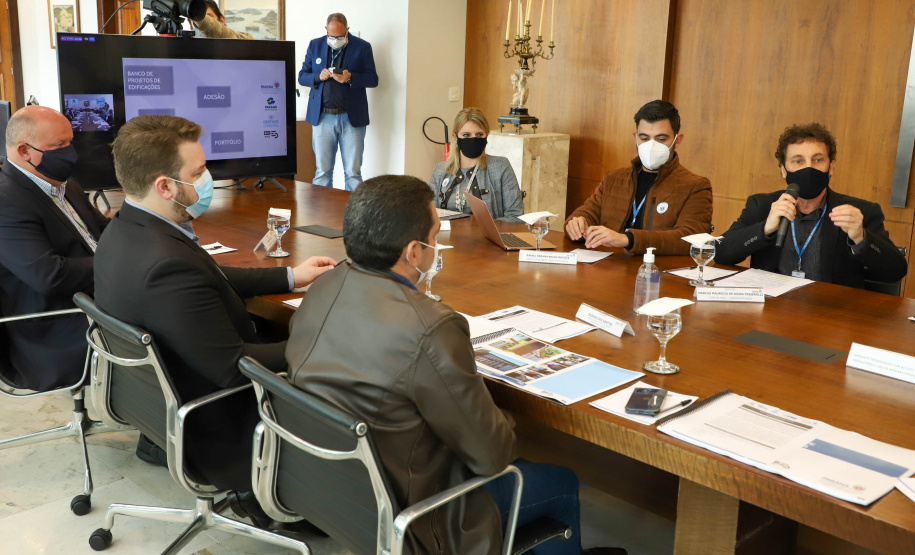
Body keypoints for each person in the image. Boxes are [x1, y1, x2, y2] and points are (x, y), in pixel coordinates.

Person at [285, 175, 625, 555]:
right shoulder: (431, 327)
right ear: (415, 252)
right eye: (434, 235)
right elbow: (493, 455)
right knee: (560, 480)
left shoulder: (322, 286)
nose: (436, 245)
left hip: (336, 494)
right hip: (422, 515)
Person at [95, 115, 335, 518]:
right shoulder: (166, 265)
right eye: (200, 171)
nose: (208, 178)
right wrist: (321, 343)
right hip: (221, 424)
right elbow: (234, 367)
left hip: (158, 409)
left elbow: (208, 275)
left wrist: (292, 275)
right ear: (165, 186)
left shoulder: (126, 230)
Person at [716, 123, 907, 288]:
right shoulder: (763, 206)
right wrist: (764, 229)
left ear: (831, 167)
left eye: (818, 160)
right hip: (772, 311)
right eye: (798, 161)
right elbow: (720, 253)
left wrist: (861, 238)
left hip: (830, 316)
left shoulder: (859, 213)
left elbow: (895, 271)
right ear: (783, 169)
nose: (809, 168)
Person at [0, 106, 109, 391]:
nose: (70, 152)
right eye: (59, 145)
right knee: (173, 327)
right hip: (55, 327)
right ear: (24, 151)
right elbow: (49, 276)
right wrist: (118, 262)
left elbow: (102, 233)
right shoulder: (6, 201)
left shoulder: (65, 184)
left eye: (70, 142)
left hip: (96, 298)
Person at [565, 100, 712, 255]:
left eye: (661, 139)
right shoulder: (614, 179)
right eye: (644, 138)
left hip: (658, 272)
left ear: (678, 140)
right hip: (610, 268)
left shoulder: (695, 185)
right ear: (635, 137)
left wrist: (627, 239)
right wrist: (576, 224)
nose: (651, 145)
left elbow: (689, 239)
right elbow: (587, 213)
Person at [299, 13, 378, 191]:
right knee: (322, 172)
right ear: (326, 29)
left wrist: (351, 78)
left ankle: (355, 216)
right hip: (322, 117)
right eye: (332, 36)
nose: (336, 40)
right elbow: (302, 76)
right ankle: (321, 216)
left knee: (353, 173)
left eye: (340, 36)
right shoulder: (315, 45)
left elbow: (373, 79)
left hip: (352, 119)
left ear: (347, 30)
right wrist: (318, 76)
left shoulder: (363, 47)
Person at [429, 107, 524, 222]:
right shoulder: (440, 170)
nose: (473, 139)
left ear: (486, 135)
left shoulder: (500, 167)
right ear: (455, 137)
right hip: (447, 238)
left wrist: (479, 229)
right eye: (466, 135)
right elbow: (431, 216)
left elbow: (516, 216)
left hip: (486, 238)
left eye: (479, 135)